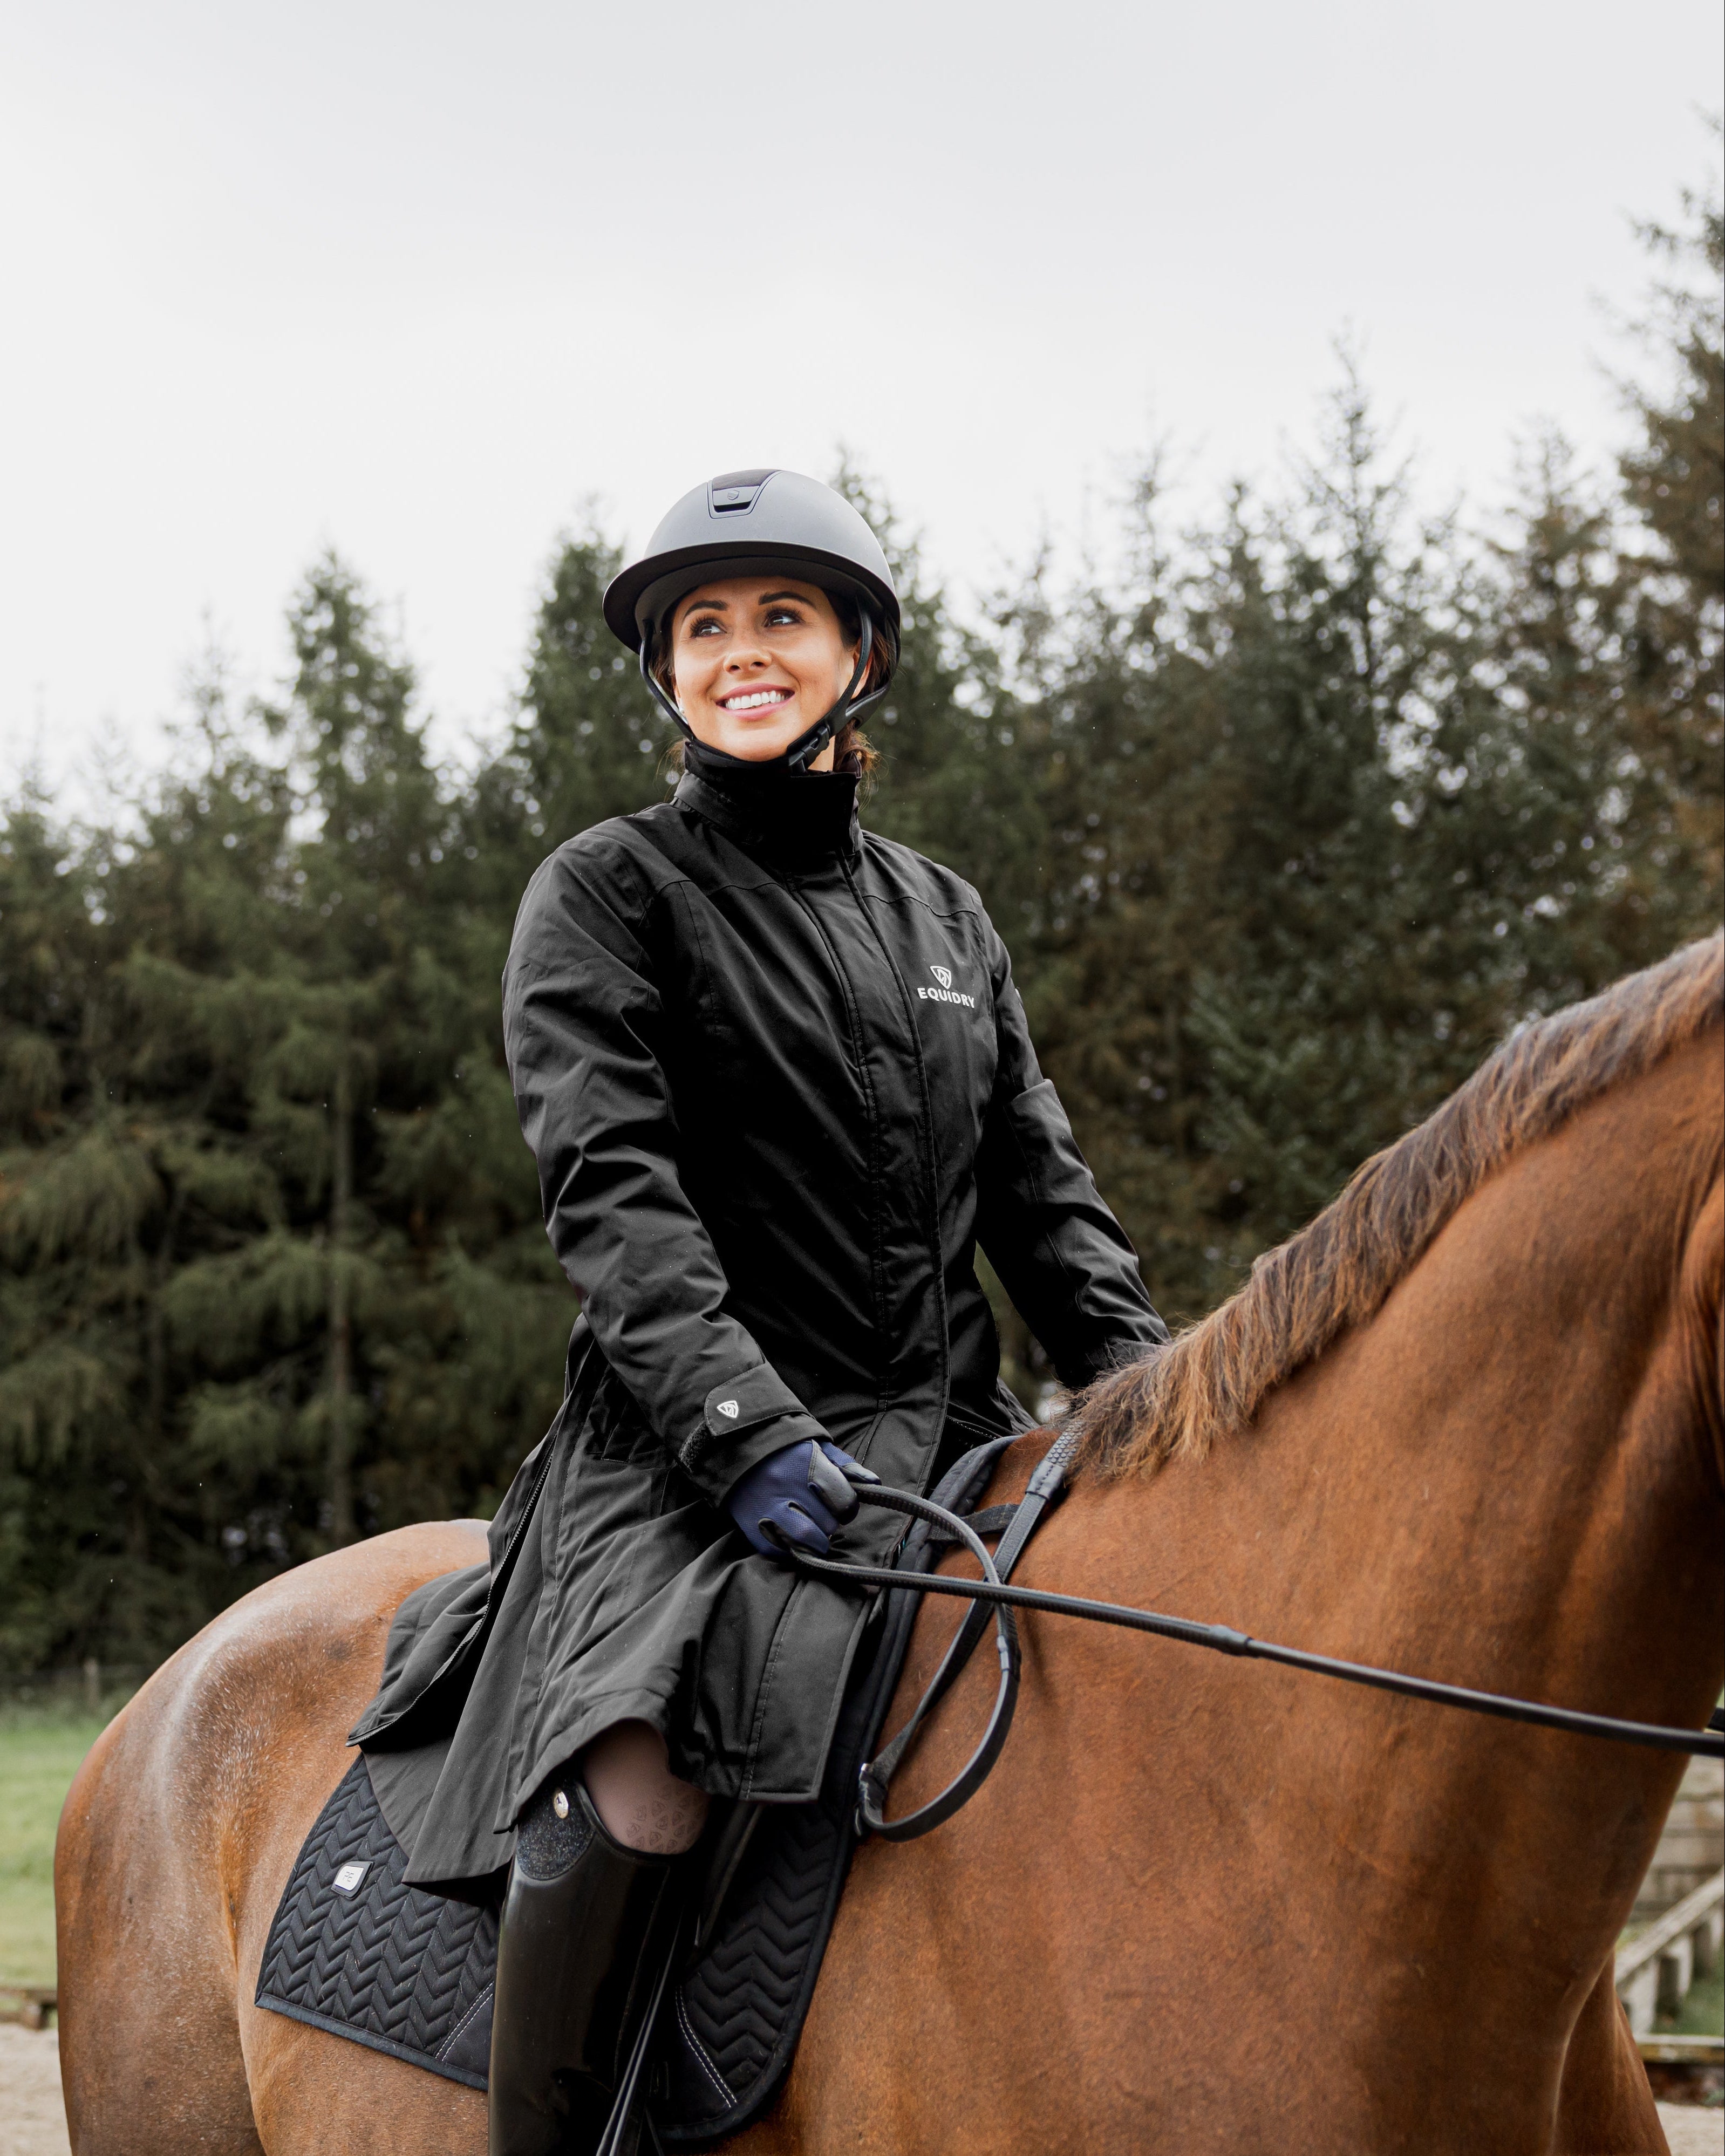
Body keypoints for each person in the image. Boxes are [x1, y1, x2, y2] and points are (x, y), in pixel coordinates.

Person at [349, 468, 1169, 2155]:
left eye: (780, 618)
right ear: (664, 671)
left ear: (857, 651)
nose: (742, 653)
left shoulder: (948, 919)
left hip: (942, 1443)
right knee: (651, 1757)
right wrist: (747, 1432)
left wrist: (1154, 1398)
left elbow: (1043, 1198)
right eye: (702, 628)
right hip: (684, 1460)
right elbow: (619, 1202)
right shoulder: (606, 893)